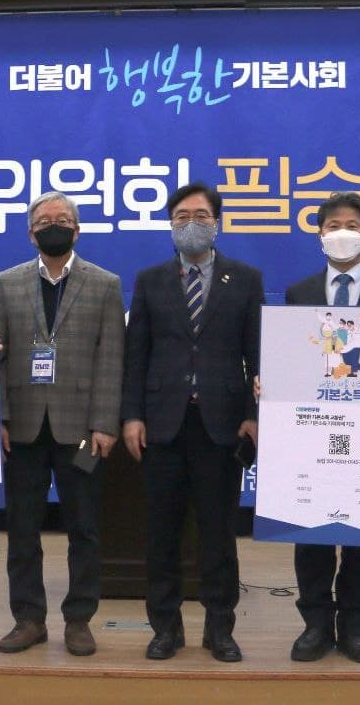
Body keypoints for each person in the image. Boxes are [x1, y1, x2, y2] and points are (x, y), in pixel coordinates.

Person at [122, 183, 262, 663]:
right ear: (170, 224)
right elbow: (136, 355)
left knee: (218, 535)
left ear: (217, 223)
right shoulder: (150, 280)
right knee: (162, 534)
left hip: (222, 427)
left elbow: (257, 354)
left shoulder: (245, 279)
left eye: (200, 215)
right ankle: (166, 629)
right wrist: (132, 415)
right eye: (181, 216)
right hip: (163, 424)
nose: (191, 224)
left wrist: (253, 415)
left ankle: (219, 629)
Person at [281, 192, 360, 664]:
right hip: (314, 431)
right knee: (311, 532)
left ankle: (354, 627)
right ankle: (315, 625)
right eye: (333, 225)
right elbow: (290, 360)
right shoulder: (298, 293)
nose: (342, 233)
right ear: (319, 234)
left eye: (352, 226)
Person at [0, 191, 124, 657]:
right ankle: (28, 619)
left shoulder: (104, 283)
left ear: (77, 230)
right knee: (22, 530)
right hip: (23, 427)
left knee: (84, 529)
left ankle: (79, 619)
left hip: (82, 429)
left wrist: (105, 423)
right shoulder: (4, 283)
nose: (55, 226)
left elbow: (111, 357)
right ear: (31, 233)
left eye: (63, 220)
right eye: (45, 221)